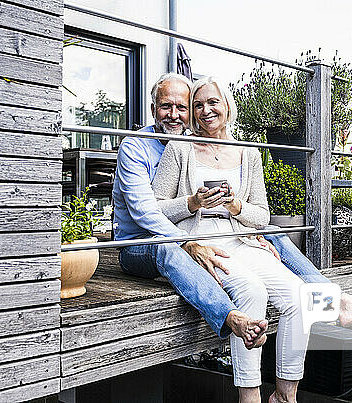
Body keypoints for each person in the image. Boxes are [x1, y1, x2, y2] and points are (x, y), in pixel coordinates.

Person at [152, 76, 352, 403]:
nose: (204, 110)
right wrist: (193, 202)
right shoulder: (179, 149)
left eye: (212, 102)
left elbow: (262, 216)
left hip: (241, 239)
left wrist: (235, 205)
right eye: (198, 105)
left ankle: (285, 395)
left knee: (300, 297)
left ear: (227, 105)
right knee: (251, 291)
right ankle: (250, 394)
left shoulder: (248, 153)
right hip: (203, 243)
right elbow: (154, 209)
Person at [113, 73, 267, 349]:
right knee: (167, 247)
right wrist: (186, 241)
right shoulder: (134, 146)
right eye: (165, 106)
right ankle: (230, 317)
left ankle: (325, 292)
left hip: (190, 234)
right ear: (153, 110)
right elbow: (145, 213)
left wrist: (250, 231)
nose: (174, 115)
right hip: (138, 246)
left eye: (182, 107)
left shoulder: (192, 146)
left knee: (274, 232)